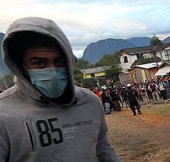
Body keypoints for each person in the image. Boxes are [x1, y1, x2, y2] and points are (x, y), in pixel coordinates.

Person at [0, 17, 120, 161]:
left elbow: (101, 148)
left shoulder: (90, 102)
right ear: (20, 65)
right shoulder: (4, 115)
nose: (52, 71)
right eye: (39, 63)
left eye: (59, 62)